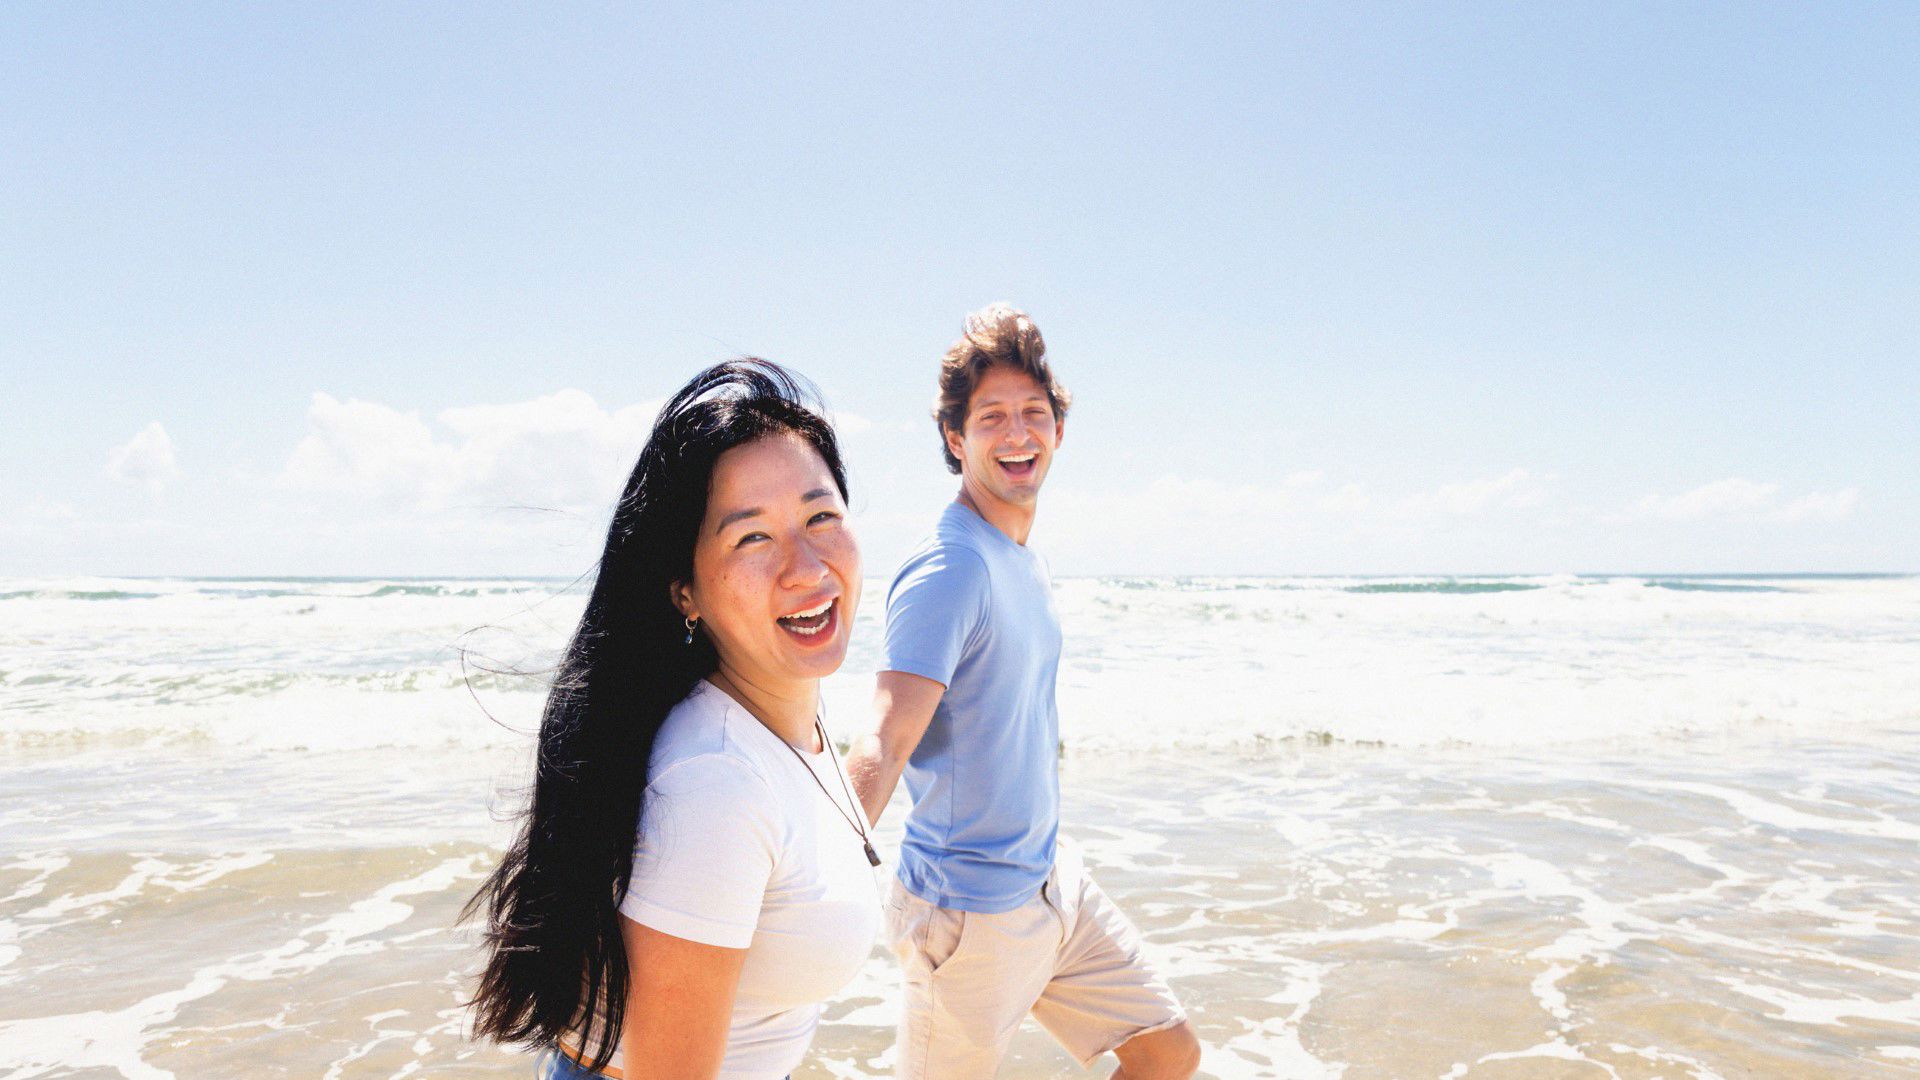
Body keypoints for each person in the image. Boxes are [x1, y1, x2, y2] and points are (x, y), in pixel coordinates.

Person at [466, 359, 882, 1080]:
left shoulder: (781, 716)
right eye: (752, 537)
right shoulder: (716, 782)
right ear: (685, 590)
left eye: (821, 517)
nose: (808, 567)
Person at [845, 306, 1202, 1079]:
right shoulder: (951, 567)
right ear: (955, 439)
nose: (1017, 433)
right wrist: (810, 879)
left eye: (1033, 413)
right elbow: (886, 734)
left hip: (1050, 885)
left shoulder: (1022, 558)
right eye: (992, 417)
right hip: (967, 914)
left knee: (1166, 1052)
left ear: (1058, 431)